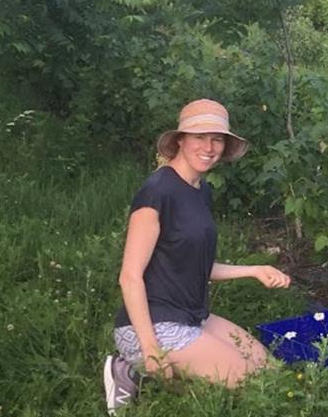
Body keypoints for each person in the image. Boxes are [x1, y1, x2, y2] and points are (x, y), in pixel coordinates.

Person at [103, 99, 292, 414]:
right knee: (258, 386)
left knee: (271, 372)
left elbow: (197, 266)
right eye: (199, 137)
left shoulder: (200, 190)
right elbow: (130, 276)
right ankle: (131, 367)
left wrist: (254, 270)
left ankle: (135, 374)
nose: (209, 147)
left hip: (192, 316)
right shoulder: (158, 191)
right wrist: (151, 349)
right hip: (153, 324)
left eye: (217, 139)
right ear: (180, 140)